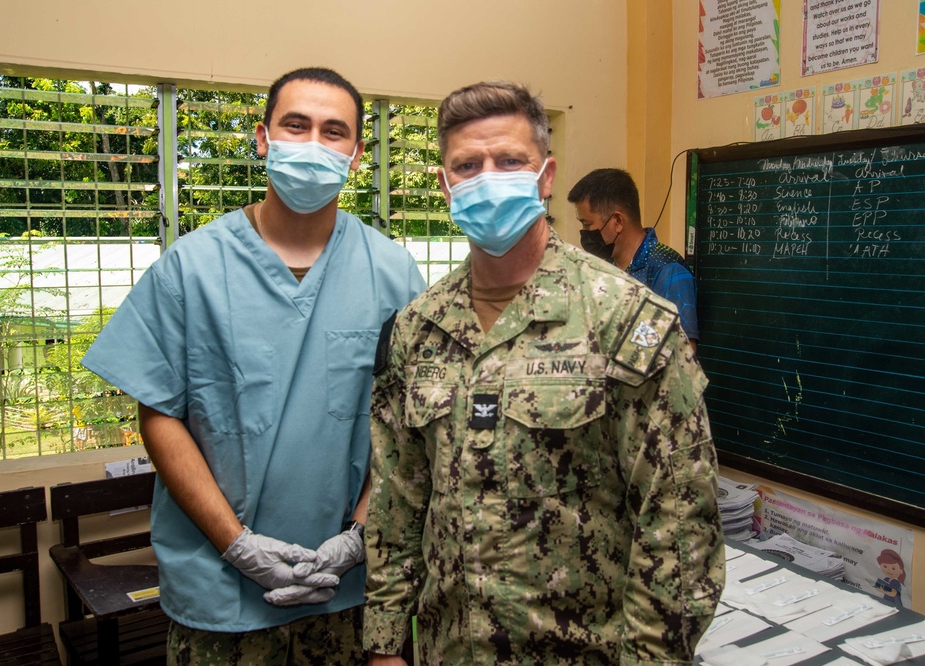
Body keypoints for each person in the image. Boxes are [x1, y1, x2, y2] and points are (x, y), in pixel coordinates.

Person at [363, 81, 724, 665]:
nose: (488, 177)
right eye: (467, 165)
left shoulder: (626, 319)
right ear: (445, 184)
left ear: (546, 176)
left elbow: (679, 522)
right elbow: (397, 503)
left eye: (510, 161)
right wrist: (384, 647)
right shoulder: (417, 329)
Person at [82, 66, 426, 665]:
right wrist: (237, 546)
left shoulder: (392, 273)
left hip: (347, 592)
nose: (313, 143)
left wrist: (358, 539)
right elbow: (160, 416)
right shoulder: (191, 268)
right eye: (296, 125)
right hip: (221, 593)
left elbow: (403, 430)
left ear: (357, 153)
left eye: (333, 131)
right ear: (263, 138)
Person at [568, 168, 700, 351]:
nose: (585, 232)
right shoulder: (604, 270)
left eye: (587, 224)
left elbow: (683, 358)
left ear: (618, 221)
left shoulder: (668, 272)